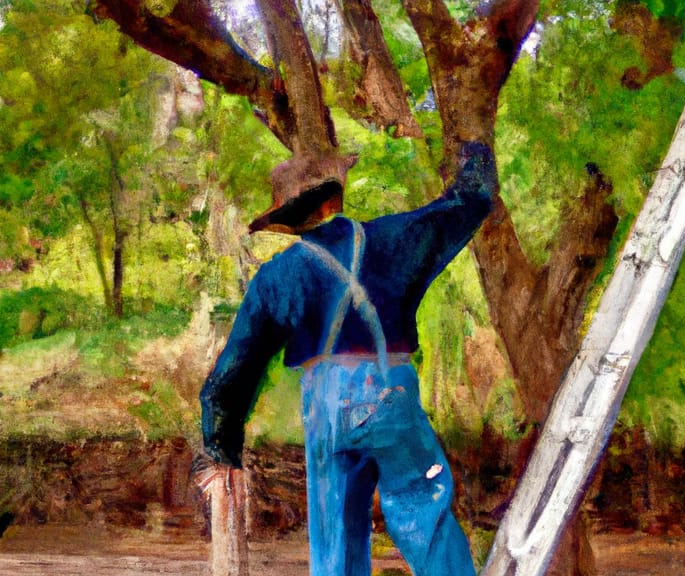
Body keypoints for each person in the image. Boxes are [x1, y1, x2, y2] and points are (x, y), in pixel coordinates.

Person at [199, 142, 496, 576]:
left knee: (335, 540)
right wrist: (475, 154)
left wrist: (221, 446)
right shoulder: (394, 240)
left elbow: (235, 371)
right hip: (390, 392)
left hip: (326, 409)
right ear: (336, 198)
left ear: (288, 221)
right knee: (421, 506)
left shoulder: (277, 276)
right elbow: (467, 203)